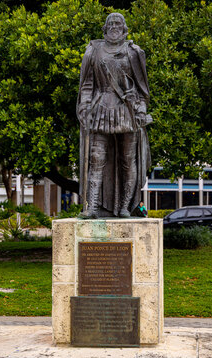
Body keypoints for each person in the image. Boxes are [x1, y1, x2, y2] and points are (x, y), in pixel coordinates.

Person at [77, 13, 152, 218]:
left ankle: (124, 206)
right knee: (96, 159)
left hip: (127, 112)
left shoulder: (133, 52)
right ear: (105, 28)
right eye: (111, 23)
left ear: (125, 28)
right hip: (100, 110)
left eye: (118, 23)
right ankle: (92, 207)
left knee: (128, 160)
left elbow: (142, 90)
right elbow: (87, 85)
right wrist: (84, 108)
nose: (114, 26)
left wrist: (141, 110)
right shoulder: (93, 51)